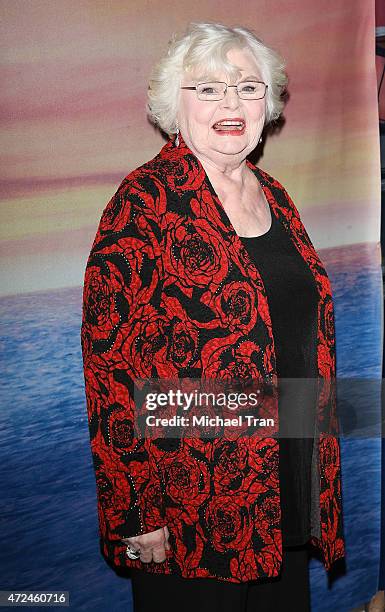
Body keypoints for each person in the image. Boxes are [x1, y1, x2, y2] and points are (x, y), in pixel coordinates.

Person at [80, 21, 345, 612]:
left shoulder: (275, 195)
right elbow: (109, 370)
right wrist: (137, 512)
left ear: (268, 105)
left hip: (287, 492)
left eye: (248, 88)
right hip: (194, 510)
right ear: (174, 106)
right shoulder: (143, 202)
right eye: (208, 89)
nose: (231, 103)